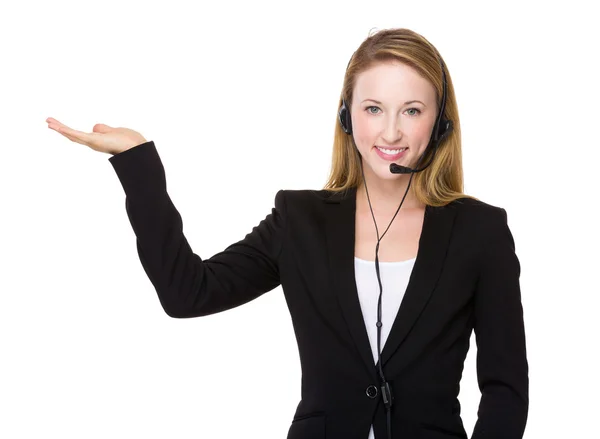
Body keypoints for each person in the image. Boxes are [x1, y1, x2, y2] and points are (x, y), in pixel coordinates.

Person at [46, 27, 528, 439]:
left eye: (413, 110)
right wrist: (139, 164)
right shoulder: (299, 220)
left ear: (441, 123)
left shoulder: (480, 231)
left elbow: (505, 387)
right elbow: (186, 294)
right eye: (374, 109)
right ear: (347, 117)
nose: (391, 133)